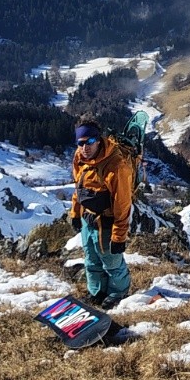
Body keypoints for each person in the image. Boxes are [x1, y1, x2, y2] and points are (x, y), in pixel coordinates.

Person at [68, 119, 135, 307]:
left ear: (99, 140)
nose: (84, 147)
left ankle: (118, 293)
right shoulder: (80, 157)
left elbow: (122, 204)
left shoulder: (116, 165)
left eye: (89, 142)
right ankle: (97, 292)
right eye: (80, 143)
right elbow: (79, 186)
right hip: (87, 220)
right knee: (91, 260)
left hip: (107, 221)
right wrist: (75, 213)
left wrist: (119, 237)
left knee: (112, 262)